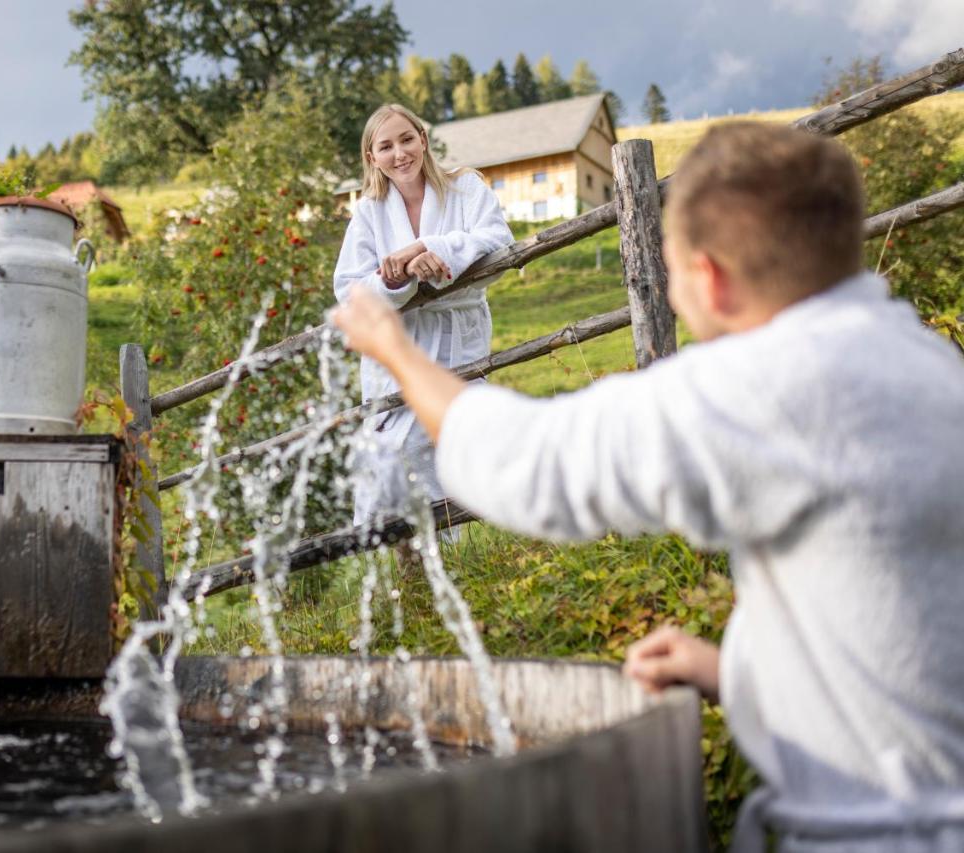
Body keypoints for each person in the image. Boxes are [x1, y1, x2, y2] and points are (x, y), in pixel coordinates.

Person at [330, 122, 964, 851]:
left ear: (712, 279)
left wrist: (393, 351)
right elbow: (902, 631)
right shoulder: (927, 361)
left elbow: (529, 464)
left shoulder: (764, 387)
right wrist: (734, 672)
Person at [333, 103, 512, 526]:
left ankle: (444, 554)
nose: (400, 153)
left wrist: (431, 249)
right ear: (371, 157)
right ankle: (401, 568)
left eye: (407, 139)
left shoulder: (467, 189)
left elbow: (499, 241)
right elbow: (350, 290)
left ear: (424, 140)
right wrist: (398, 281)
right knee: (385, 459)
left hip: (455, 342)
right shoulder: (369, 212)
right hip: (398, 350)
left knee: (431, 443)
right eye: (386, 146)